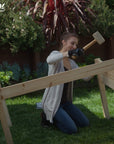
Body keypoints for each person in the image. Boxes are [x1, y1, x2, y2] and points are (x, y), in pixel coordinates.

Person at [41, 32, 93, 134]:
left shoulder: (72, 63)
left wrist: (97, 68)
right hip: (53, 103)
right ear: (63, 42)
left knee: (84, 123)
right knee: (72, 130)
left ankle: (62, 116)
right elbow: (49, 60)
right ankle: (47, 117)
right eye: (72, 43)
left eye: (76, 45)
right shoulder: (55, 55)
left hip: (66, 103)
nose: (74, 47)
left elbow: (85, 78)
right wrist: (68, 53)